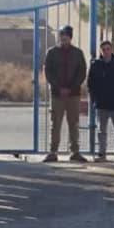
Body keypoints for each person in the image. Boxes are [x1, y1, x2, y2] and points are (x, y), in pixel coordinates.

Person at [42, 24, 87, 162]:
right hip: (57, 94)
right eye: (61, 35)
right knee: (55, 123)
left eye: (66, 36)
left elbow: (82, 72)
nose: (63, 38)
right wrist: (59, 87)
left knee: (73, 123)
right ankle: (53, 151)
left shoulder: (78, 53)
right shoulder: (52, 52)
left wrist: (72, 87)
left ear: (70, 37)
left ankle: (75, 151)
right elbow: (48, 72)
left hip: (73, 94)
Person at [87, 39, 114, 160]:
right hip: (102, 104)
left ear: (112, 50)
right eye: (104, 49)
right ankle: (102, 153)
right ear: (101, 51)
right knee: (102, 131)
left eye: (108, 49)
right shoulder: (96, 65)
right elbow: (90, 83)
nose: (106, 51)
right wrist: (94, 98)